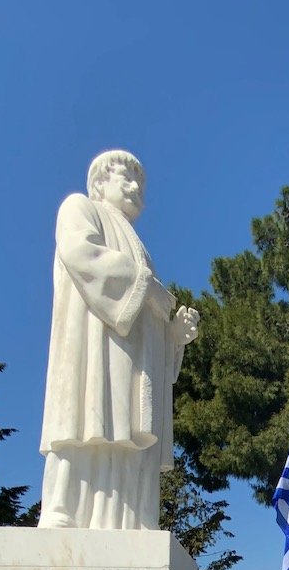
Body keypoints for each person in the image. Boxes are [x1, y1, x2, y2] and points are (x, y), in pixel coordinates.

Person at [38, 150, 200, 530]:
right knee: (83, 421)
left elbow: (147, 316)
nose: (135, 188)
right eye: (126, 179)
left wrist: (173, 335)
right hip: (92, 350)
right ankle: (63, 508)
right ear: (99, 182)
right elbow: (81, 254)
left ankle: (127, 518)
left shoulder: (138, 244)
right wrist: (147, 289)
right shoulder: (80, 208)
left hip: (130, 361)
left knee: (127, 435)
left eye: (140, 183)